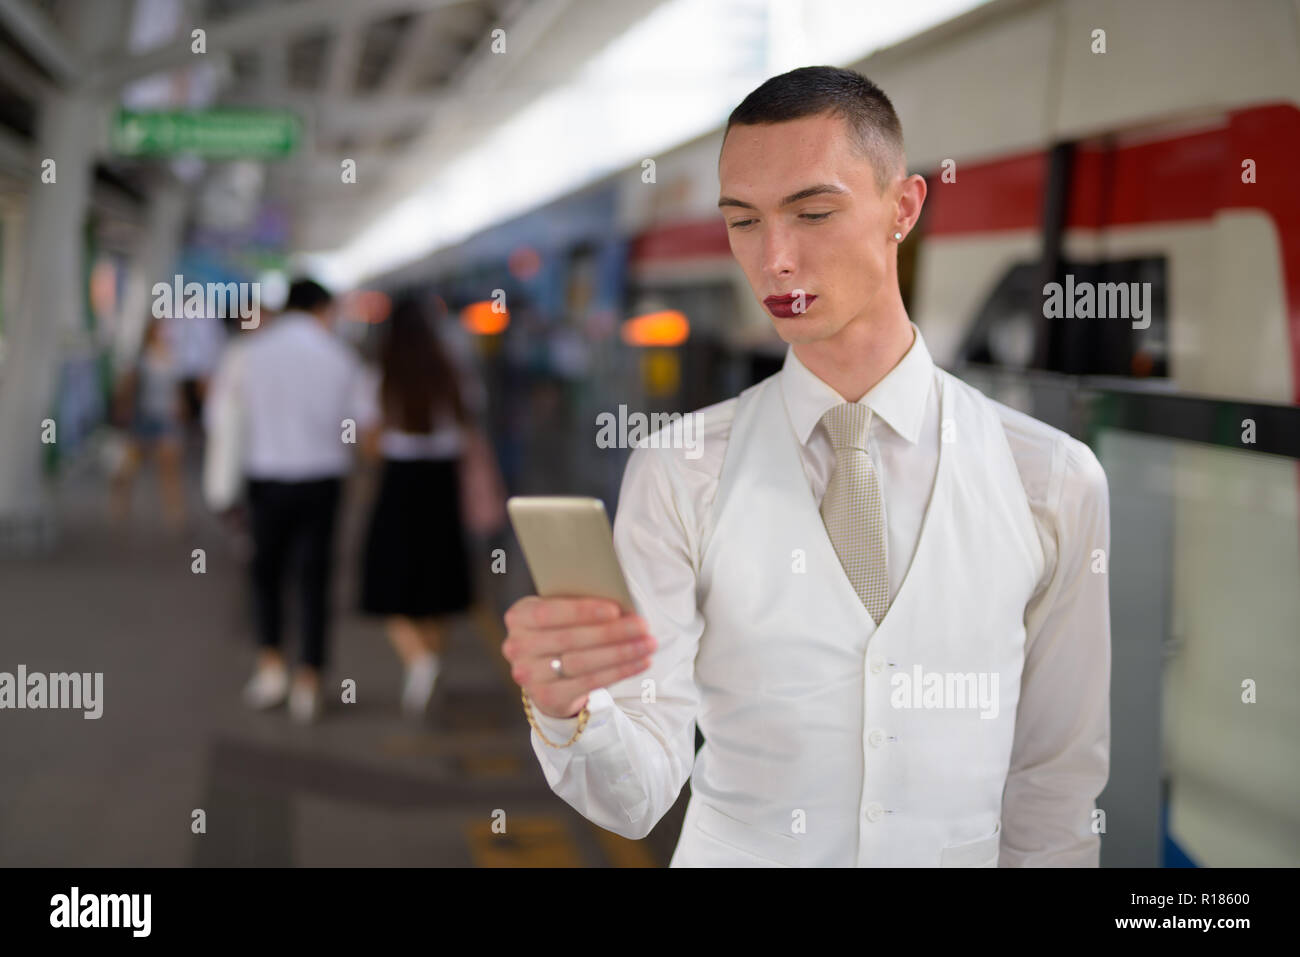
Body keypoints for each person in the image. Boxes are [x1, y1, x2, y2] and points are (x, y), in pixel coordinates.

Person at [502, 66, 1111, 867]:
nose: (774, 259)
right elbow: (637, 792)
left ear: (904, 208)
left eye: (813, 212)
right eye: (743, 222)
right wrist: (570, 710)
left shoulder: (1055, 479)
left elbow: (1054, 788)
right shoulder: (679, 469)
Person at [238, 279, 378, 724]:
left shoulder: (252, 352)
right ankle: (309, 681)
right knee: (315, 577)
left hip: (264, 475)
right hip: (323, 477)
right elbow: (363, 424)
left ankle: (270, 667)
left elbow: (220, 415)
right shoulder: (340, 355)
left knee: (266, 573)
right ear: (320, 308)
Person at [358, 296, 475, 716]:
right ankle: (429, 664)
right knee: (438, 581)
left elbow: (369, 440)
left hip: (399, 481)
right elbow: (468, 424)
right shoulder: (450, 368)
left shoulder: (380, 374)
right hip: (442, 481)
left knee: (389, 578)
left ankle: (421, 662)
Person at [109, 316, 186, 529]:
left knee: (169, 469)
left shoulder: (172, 357)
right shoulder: (142, 359)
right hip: (143, 418)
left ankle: (175, 515)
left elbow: (176, 389)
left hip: (165, 418)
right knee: (129, 468)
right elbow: (128, 386)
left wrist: (180, 408)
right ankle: (119, 507)